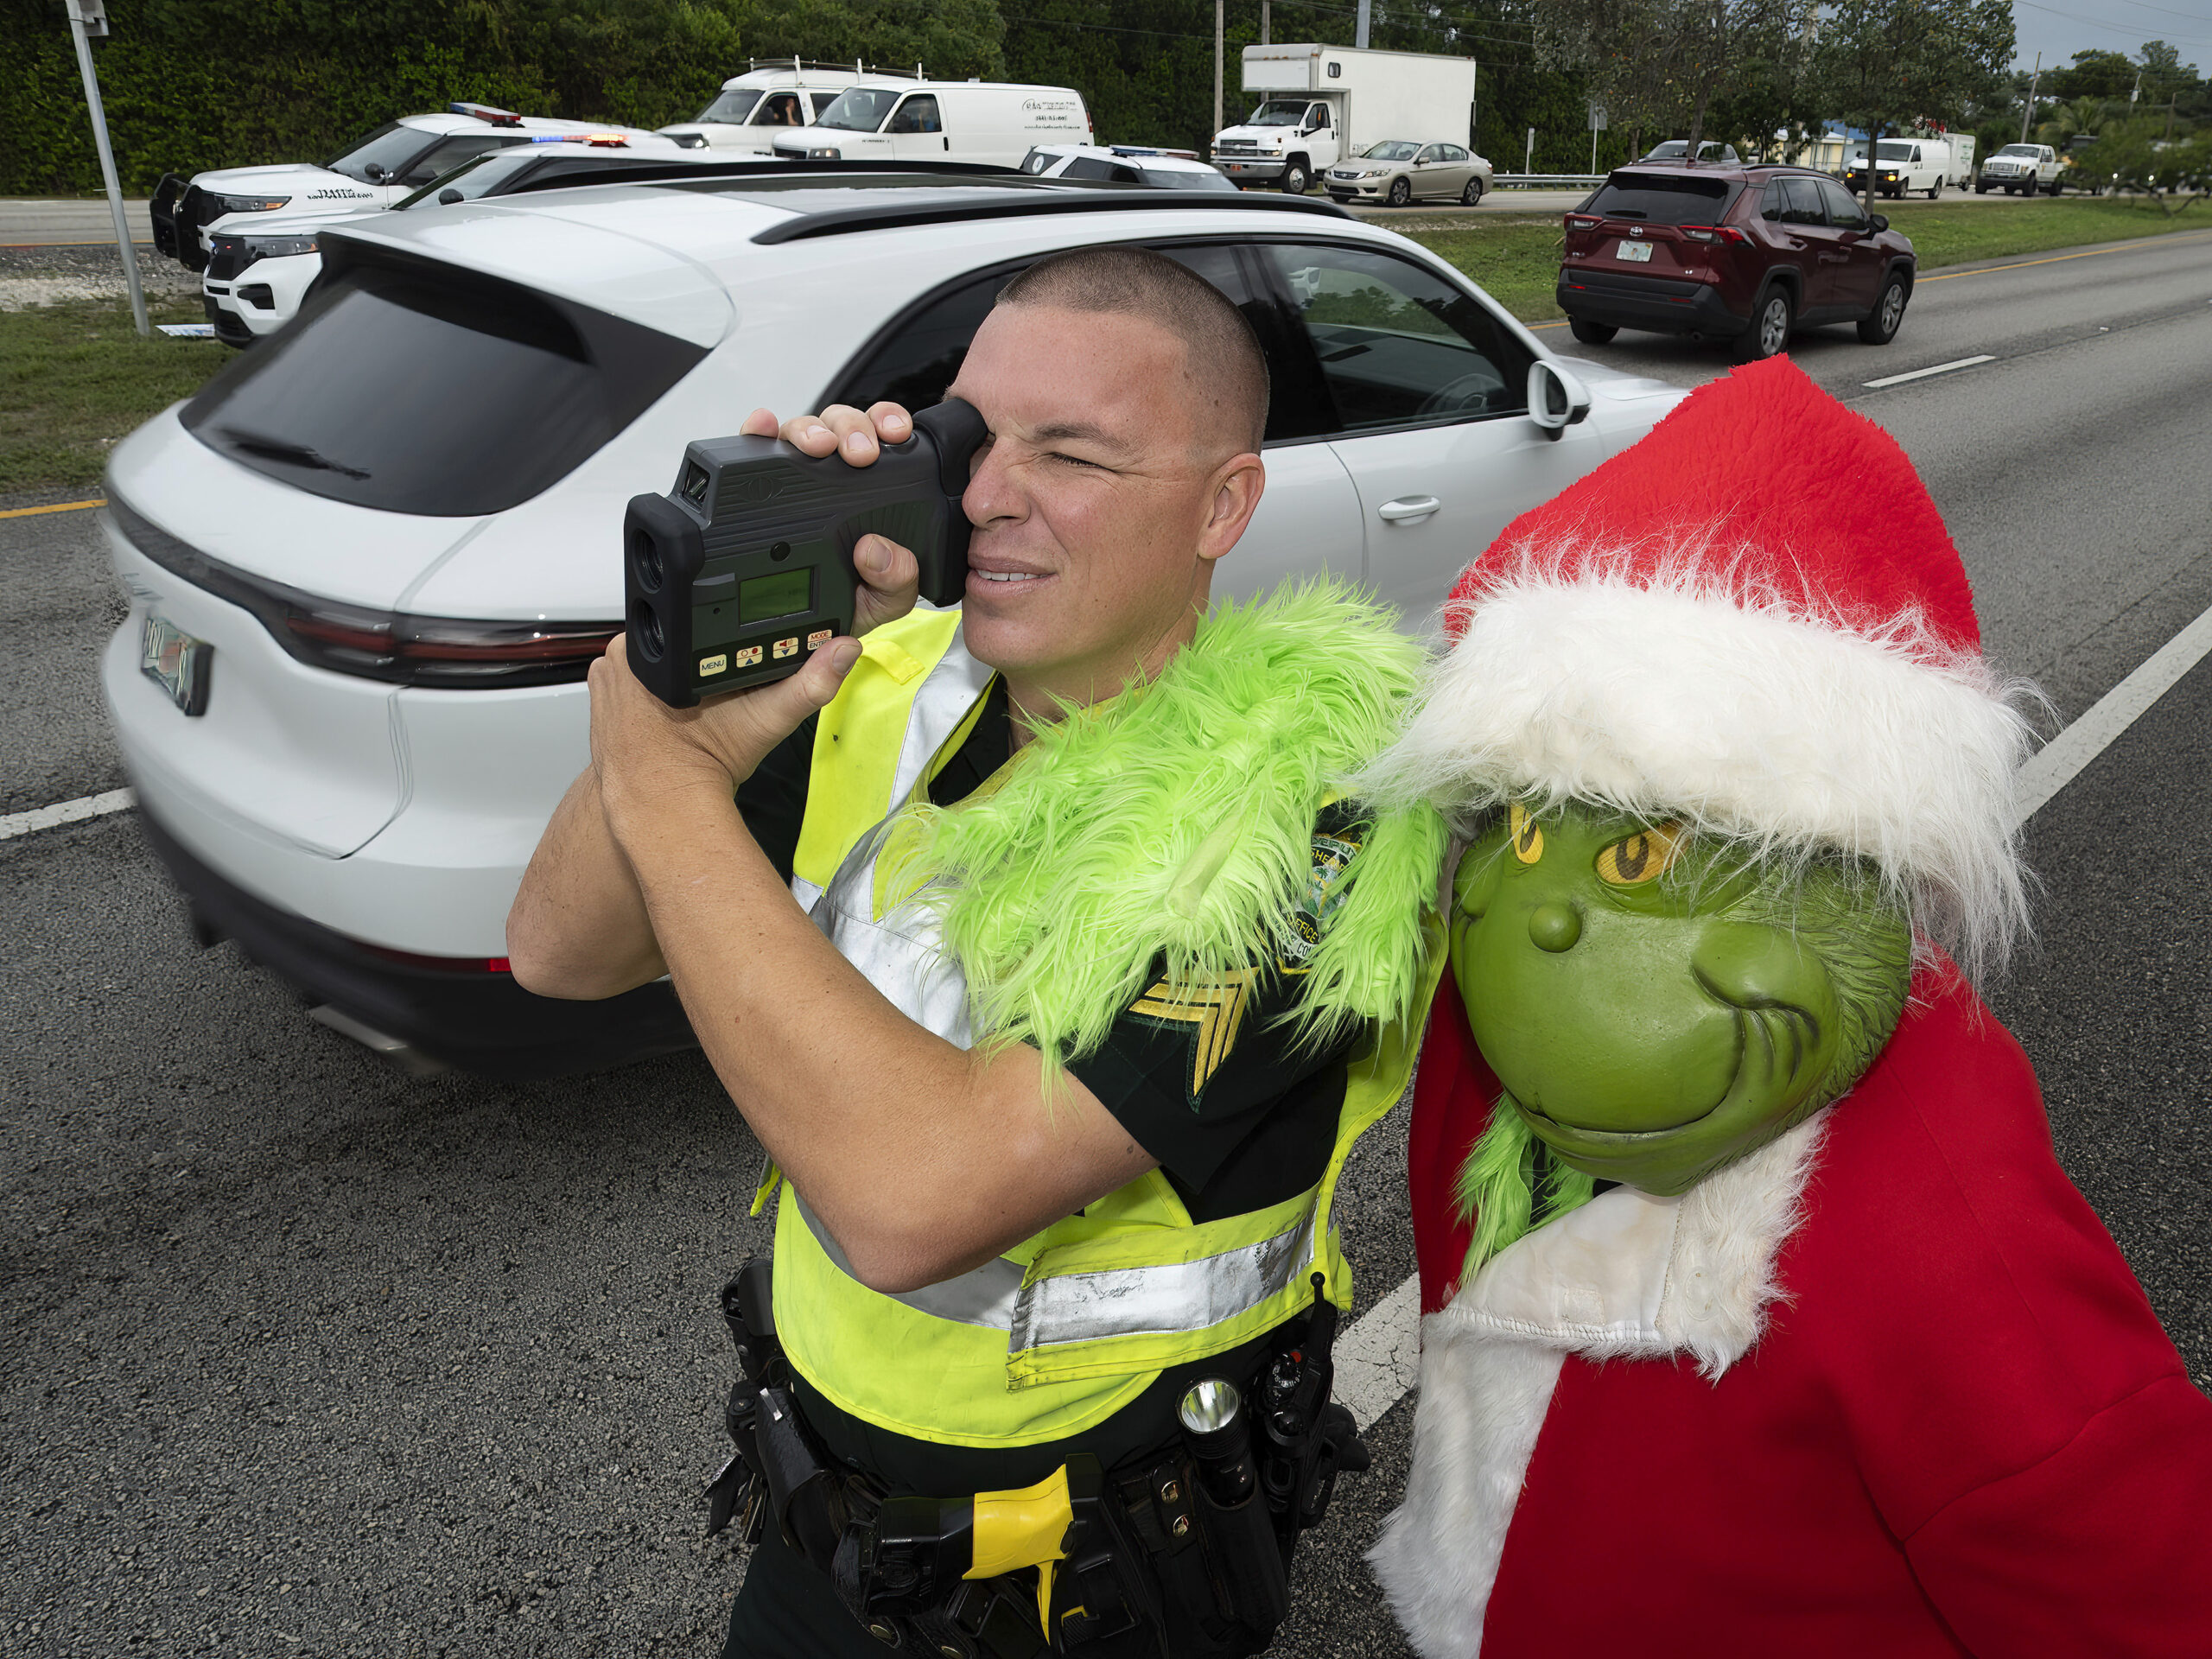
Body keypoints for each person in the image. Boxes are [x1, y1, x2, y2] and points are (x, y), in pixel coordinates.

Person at [505, 246, 1444, 1657]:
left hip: (1100, 1576)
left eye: (1069, 455)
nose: (987, 493)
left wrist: (667, 786)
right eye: (969, 435)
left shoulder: (1313, 830)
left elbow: (914, 1203)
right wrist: (693, 683)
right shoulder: (888, 679)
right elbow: (558, 954)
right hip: (820, 1514)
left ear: (1222, 503)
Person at [1357, 358, 2212, 1656]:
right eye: (1518, 827)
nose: (1541, 915)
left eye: (1644, 856)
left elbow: (2140, 1587)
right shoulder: (1488, 1035)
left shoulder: (1940, 1239)